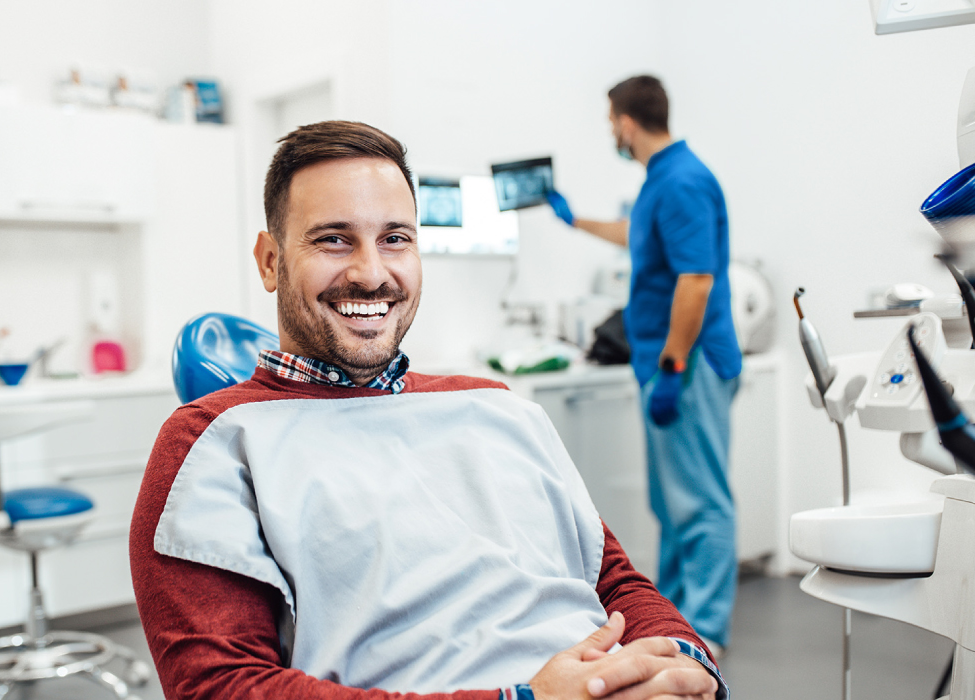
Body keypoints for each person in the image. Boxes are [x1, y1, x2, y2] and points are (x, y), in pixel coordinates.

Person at [130, 120, 727, 700]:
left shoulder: (496, 407)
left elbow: (612, 579)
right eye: (333, 239)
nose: (371, 273)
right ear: (269, 261)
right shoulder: (213, 442)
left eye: (395, 239)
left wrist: (685, 665)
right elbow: (223, 685)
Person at [545, 76, 742, 656]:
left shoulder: (682, 180)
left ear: (627, 122)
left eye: (612, 121)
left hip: (690, 364)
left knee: (702, 502)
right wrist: (574, 220)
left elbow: (696, 279)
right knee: (673, 502)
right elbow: (638, 236)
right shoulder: (663, 180)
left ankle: (704, 630)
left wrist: (675, 365)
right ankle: (675, 616)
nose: (612, 131)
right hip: (666, 365)